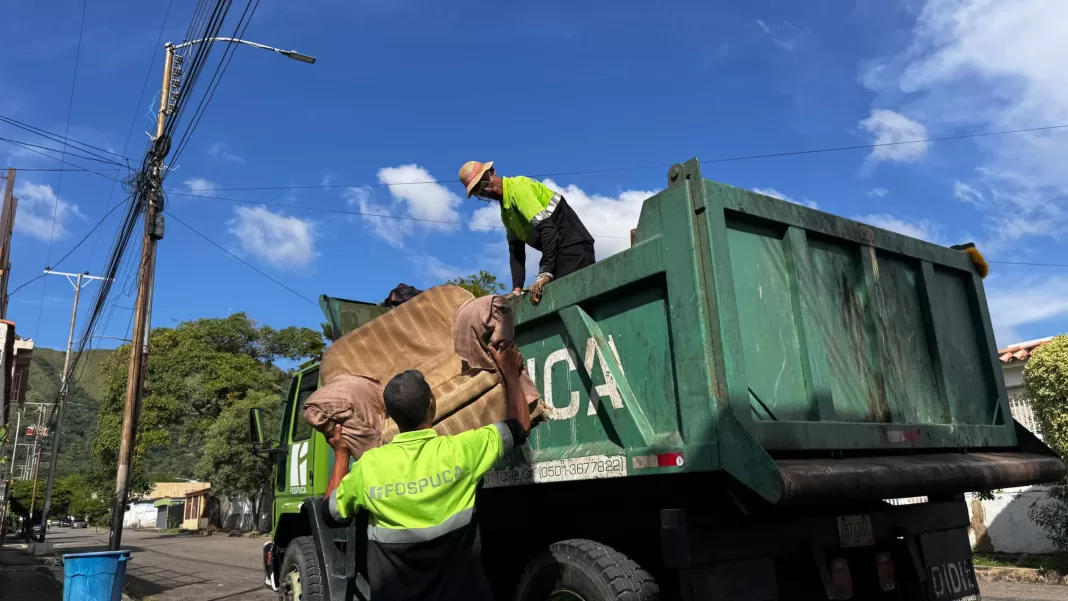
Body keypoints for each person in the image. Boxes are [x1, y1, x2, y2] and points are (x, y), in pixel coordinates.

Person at [323, 341, 532, 601]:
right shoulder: (463, 450)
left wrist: (341, 454)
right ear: (432, 404)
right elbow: (519, 427)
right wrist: (511, 372)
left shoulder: (369, 467)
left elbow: (330, 514)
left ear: (390, 415)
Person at [459, 161, 595, 303]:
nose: (485, 190)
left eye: (483, 183)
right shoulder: (506, 213)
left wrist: (545, 272)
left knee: (569, 300)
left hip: (575, 247)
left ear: (492, 172)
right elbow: (516, 252)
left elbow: (548, 229)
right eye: (478, 191)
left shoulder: (517, 188)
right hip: (558, 252)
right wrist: (516, 290)